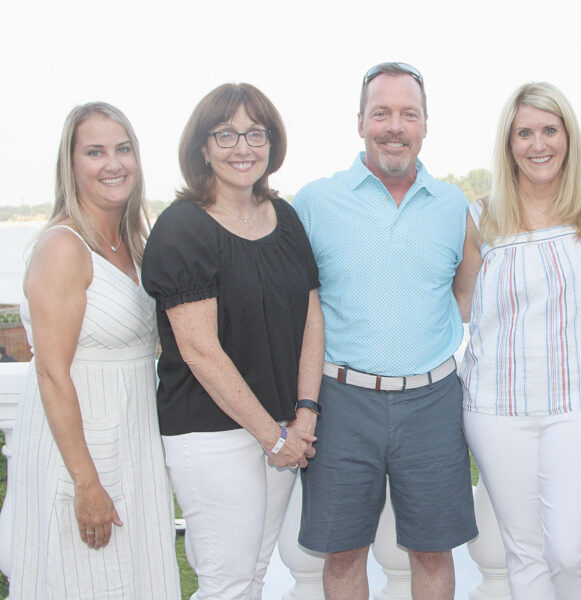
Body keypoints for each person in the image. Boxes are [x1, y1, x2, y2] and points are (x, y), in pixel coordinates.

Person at [292, 61, 477, 600]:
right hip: (342, 401)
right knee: (344, 552)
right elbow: (297, 308)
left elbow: (465, 296)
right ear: (360, 123)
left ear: (424, 125)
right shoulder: (314, 203)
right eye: (382, 113)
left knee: (433, 551)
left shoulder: (452, 206)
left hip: (433, 401)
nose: (394, 126)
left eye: (408, 114)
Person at [142, 83, 324, 600]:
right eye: (226, 134)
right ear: (202, 147)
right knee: (227, 584)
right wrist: (273, 436)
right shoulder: (182, 229)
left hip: (284, 427)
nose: (242, 147)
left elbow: (311, 316)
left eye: (255, 133)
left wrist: (305, 412)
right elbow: (200, 351)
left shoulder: (284, 218)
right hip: (212, 435)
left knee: (255, 575)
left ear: (272, 143)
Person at [454, 82, 581, 599]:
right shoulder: (480, 218)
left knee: (572, 551)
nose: (537, 144)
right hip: (499, 408)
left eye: (549, 130)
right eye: (524, 132)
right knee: (523, 554)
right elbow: (462, 307)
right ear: (509, 144)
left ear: (568, 136)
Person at [8, 102, 180, 598]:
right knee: (83, 581)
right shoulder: (64, 247)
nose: (114, 163)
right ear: (72, 164)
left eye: (123, 149)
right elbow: (52, 374)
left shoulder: (131, 242)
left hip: (133, 439)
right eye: (96, 152)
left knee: (135, 579)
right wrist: (86, 483)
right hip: (82, 449)